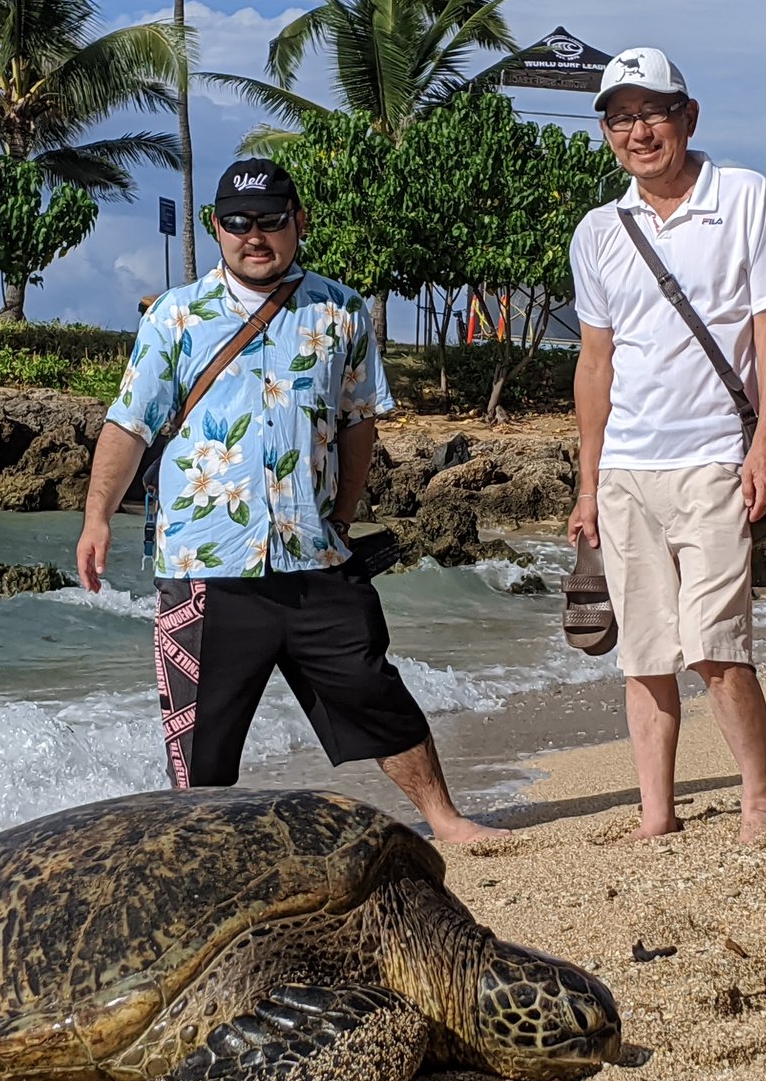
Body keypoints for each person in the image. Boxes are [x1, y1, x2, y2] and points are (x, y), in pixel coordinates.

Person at [74, 158, 503, 843]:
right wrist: (97, 519)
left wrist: (340, 517)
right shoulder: (175, 318)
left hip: (315, 557)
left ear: (298, 223)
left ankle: (446, 820)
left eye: (271, 220)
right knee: (199, 746)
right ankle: (201, 859)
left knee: (374, 694)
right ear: (216, 227)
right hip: (206, 566)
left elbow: (360, 421)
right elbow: (129, 425)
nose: (254, 235)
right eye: (238, 222)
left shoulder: (341, 312)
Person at [566, 47, 766, 844]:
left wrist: (765, 441)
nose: (639, 131)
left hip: (712, 459)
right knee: (644, 652)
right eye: (621, 117)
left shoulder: (743, 195)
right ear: (606, 133)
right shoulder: (599, 230)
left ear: (688, 115)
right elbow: (594, 361)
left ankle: (758, 800)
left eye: (653, 111)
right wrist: (588, 484)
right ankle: (655, 813)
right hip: (628, 467)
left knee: (716, 647)